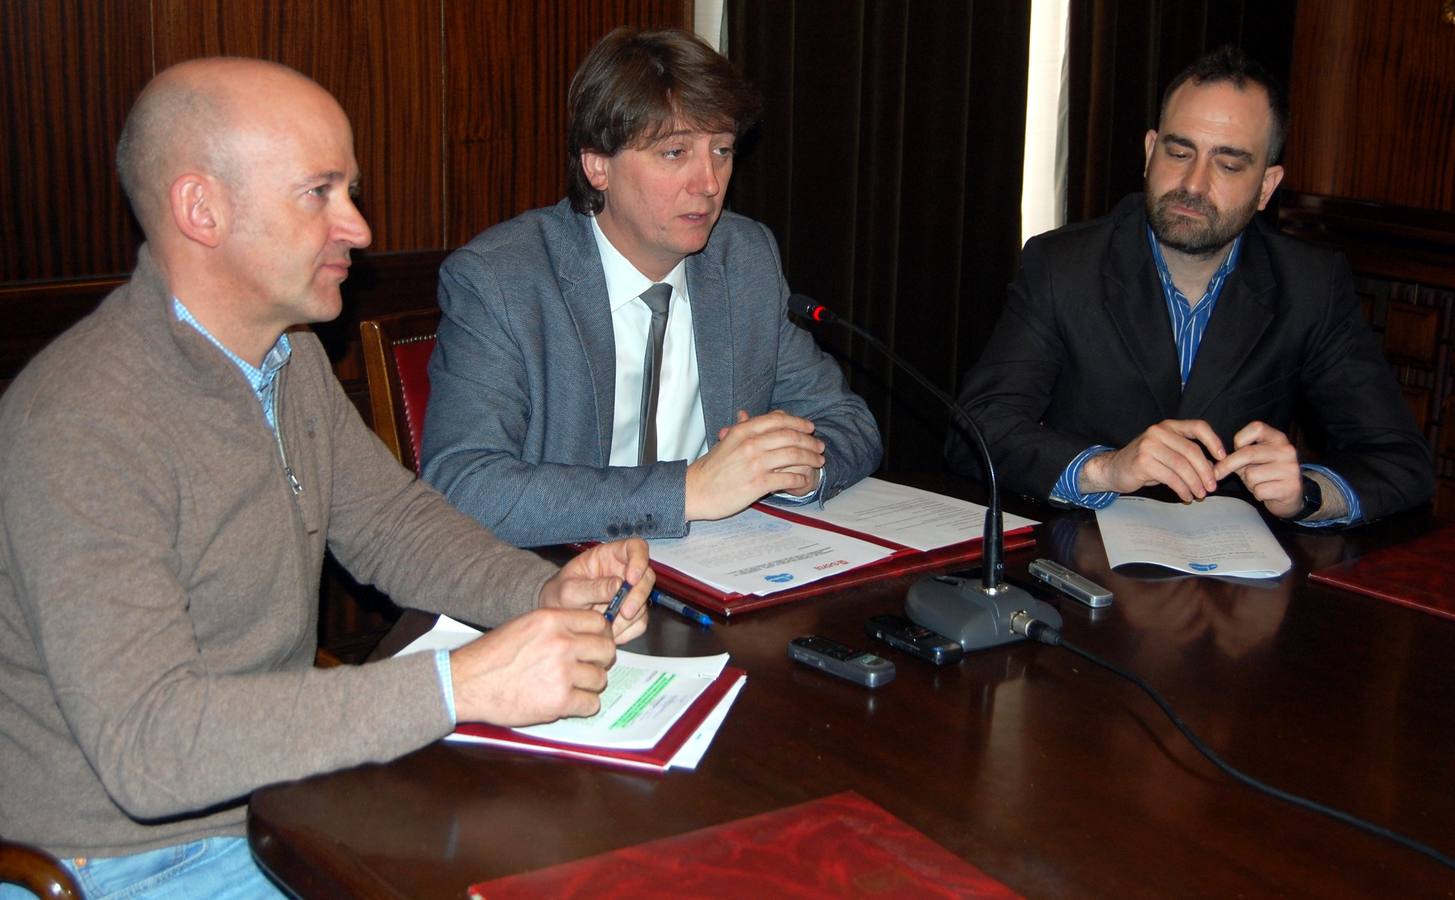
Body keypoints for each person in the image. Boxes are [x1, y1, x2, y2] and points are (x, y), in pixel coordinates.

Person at [0, 58, 651, 899]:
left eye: (350, 191)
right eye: (320, 193)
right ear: (201, 209)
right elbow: (150, 749)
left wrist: (543, 593)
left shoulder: (284, 357)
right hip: (125, 859)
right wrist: (464, 685)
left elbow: (391, 526)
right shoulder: (84, 422)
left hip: (279, 796)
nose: (358, 226)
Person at [421, 27, 882, 548]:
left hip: (721, 572)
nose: (708, 182)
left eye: (723, 151)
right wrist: (687, 491)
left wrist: (801, 470)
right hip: (559, 583)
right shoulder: (501, 281)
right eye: (674, 153)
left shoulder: (744, 258)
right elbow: (463, 486)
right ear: (598, 165)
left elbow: (846, 421)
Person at [949, 46, 1431, 524]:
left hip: (1235, 578)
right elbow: (978, 430)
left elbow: (1400, 462)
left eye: (1228, 164)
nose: (1193, 184)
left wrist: (1308, 493)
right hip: (1080, 556)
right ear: (1148, 152)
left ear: (1266, 186)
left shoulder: (1309, 285)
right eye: (1179, 152)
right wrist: (1104, 468)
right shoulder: (1064, 264)